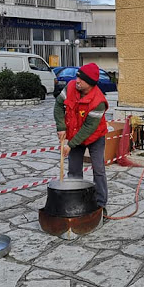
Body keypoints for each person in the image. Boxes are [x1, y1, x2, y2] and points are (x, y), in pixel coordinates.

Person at [54, 63, 109, 210]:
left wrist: (70, 145)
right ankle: (76, 200)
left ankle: (100, 203)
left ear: (90, 84)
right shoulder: (70, 87)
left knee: (98, 169)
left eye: (81, 79)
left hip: (95, 137)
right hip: (74, 133)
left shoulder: (98, 102)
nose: (77, 80)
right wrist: (61, 127)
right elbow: (58, 105)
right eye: (77, 77)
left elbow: (88, 128)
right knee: (74, 170)